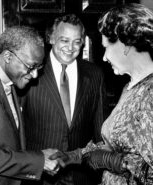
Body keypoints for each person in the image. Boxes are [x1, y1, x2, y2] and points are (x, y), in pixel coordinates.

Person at [51, 3, 153, 185]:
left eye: (106, 47)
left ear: (125, 45)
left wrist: (114, 162)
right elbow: (114, 143)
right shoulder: (131, 87)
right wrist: (73, 156)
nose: (104, 57)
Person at [0, 26, 62, 185]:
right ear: (8, 56)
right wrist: (37, 161)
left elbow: (6, 139)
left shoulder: (6, 75)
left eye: (39, 67)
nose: (35, 75)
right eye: (31, 67)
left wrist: (39, 157)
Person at [21, 14, 105, 185]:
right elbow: (17, 127)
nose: (70, 47)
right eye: (64, 40)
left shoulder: (95, 74)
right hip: (40, 175)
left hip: (82, 175)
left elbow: (100, 129)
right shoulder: (30, 71)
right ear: (51, 38)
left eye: (76, 41)